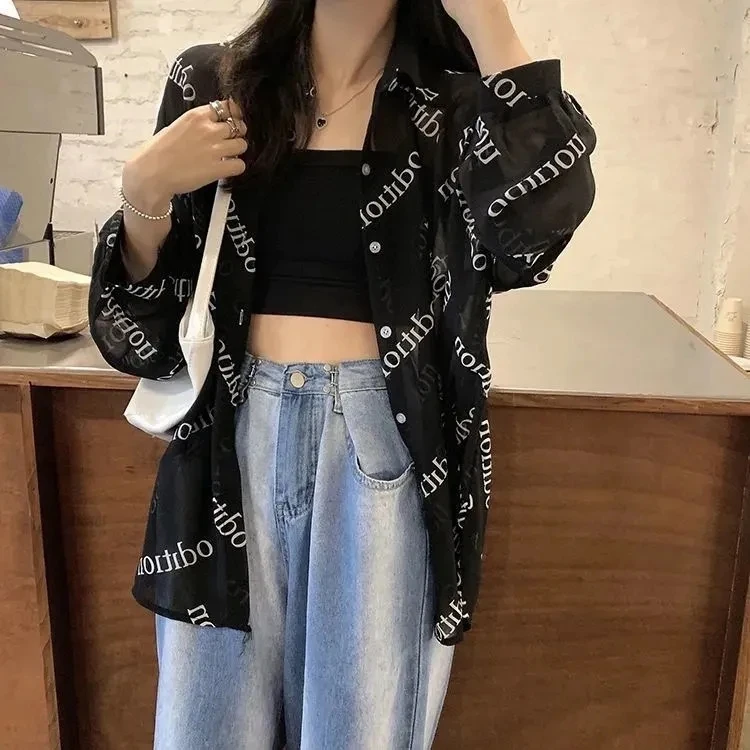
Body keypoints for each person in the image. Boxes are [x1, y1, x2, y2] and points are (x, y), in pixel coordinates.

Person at [88, 0, 596, 747]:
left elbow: (538, 230)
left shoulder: (456, 104)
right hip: (228, 450)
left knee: (356, 733)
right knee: (201, 732)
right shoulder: (216, 86)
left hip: (384, 448)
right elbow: (147, 342)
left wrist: (486, 17)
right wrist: (144, 194)